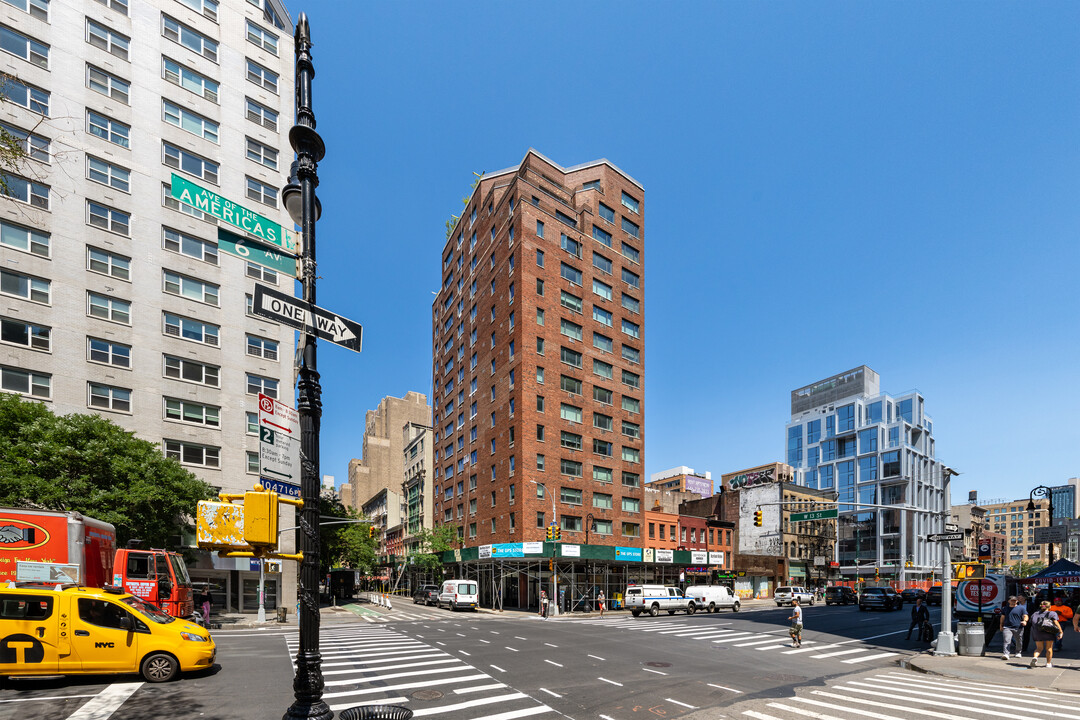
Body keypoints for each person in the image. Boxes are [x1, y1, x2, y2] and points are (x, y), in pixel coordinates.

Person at [1029, 599, 1063, 668]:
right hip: (1048, 632)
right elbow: (1056, 622)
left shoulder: (1035, 613)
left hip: (1037, 632)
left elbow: (1031, 622)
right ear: (1049, 607)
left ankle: (1035, 658)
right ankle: (1048, 663)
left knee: (1039, 648)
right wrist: (1060, 631)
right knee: (1049, 648)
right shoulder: (1052, 613)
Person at [1000, 595, 1028, 660]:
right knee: (1007, 640)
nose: (1013, 602)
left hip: (1018, 627)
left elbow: (1025, 615)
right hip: (1007, 627)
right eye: (1012, 601)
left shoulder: (1021, 608)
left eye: (1015, 601)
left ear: (1017, 601)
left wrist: (1025, 621)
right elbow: (1002, 617)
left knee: (1019, 640)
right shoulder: (1005, 608)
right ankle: (1006, 654)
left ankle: (1018, 652)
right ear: (1008, 601)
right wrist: (1001, 625)